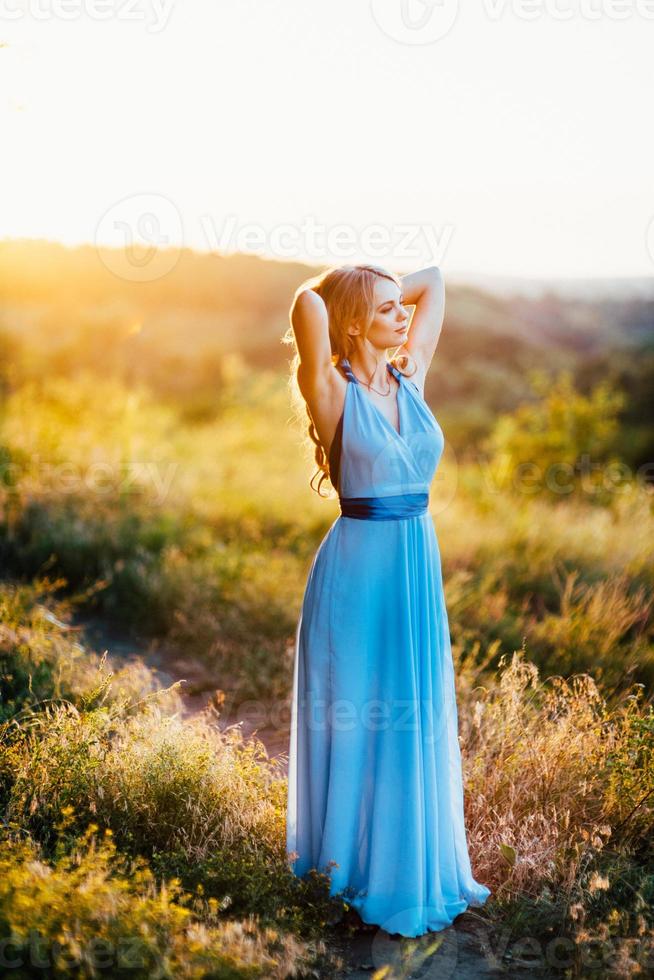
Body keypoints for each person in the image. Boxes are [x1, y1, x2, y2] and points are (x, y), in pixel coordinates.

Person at [283, 263, 491, 938]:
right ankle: (345, 872)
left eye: (400, 309)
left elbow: (432, 279)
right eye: (384, 311)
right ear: (351, 323)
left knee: (413, 715)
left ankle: (406, 863)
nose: (403, 316)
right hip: (357, 571)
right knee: (360, 720)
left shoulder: (412, 375)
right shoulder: (331, 389)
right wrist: (349, 295)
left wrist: (378, 290)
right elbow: (308, 305)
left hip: (414, 565)